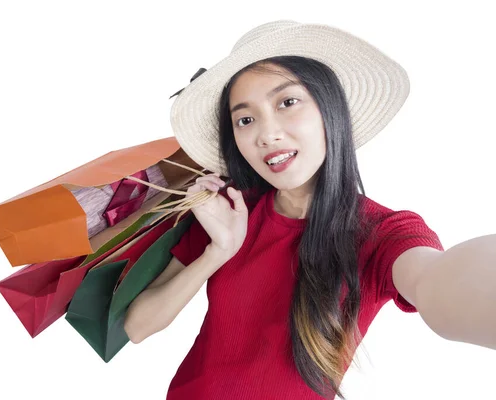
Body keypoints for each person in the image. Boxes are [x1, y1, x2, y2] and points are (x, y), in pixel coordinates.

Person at [123, 20, 496, 400]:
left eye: (287, 102)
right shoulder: (228, 211)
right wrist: (217, 252)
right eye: (245, 119)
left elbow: (437, 280)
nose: (266, 134)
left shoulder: (382, 232)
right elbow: (138, 327)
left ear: (329, 111)